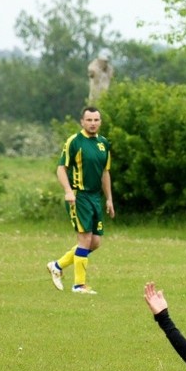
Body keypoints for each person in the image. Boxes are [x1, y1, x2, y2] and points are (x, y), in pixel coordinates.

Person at [46, 106, 115, 295]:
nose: (93, 123)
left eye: (96, 120)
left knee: (95, 242)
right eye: (89, 120)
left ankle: (57, 265)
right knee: (84, 239)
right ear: (82, 122)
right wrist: (68, 191)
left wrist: (109, 199)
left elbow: (105, 172)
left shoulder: (103, 144)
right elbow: (61, 168)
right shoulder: (74, 142)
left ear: (100, 122)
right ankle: (79, 285)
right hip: (79, 196)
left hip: (95, 197)